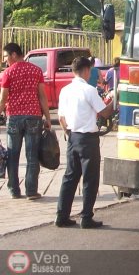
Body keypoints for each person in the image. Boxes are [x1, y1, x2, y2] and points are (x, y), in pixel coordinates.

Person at [55, 56, 114, 229]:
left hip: (72, 137)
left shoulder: (65, 90)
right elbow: (104, 113)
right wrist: (115, 98)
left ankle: (61, 215)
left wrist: (68, 133)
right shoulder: (89, 90)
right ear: (87, 70)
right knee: (90, 178)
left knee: (70, 177)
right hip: (88, 139)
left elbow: (61, 117)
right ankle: (86, 217)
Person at [0, 42, 52, 200]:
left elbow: (3, 98)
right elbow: (42, 95)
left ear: (14, 54)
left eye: (6, 57)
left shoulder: (8, 73)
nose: (5, 61)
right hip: (33, 117)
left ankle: (14, 190)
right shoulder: (36, 71)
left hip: (14, 118)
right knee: (32, 155)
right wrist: (47, 118)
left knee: (13, 154)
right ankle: (31, 191)